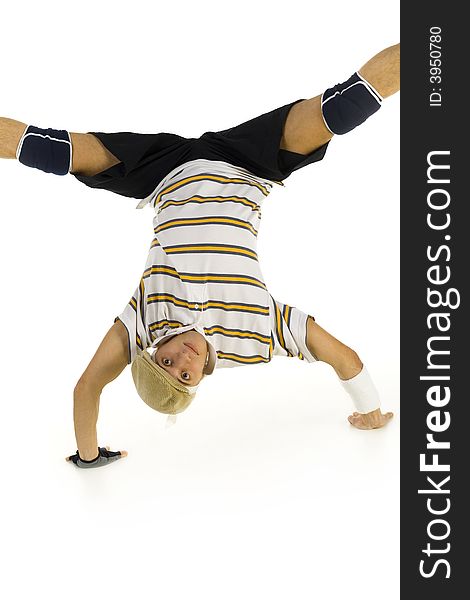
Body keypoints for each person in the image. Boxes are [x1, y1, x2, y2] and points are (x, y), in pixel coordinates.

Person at [0, 43, 400, 469]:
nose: (182, 357)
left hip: (161, 171)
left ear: (152, 352)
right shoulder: (257, 336)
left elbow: (87, 387)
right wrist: (371, 410)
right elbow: (343, 358)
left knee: (50, 150)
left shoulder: (142, 323)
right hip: (248, 164)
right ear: (197, 382)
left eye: (166, 361)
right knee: (343, 106)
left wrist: (89, 456)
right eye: (185, 374)